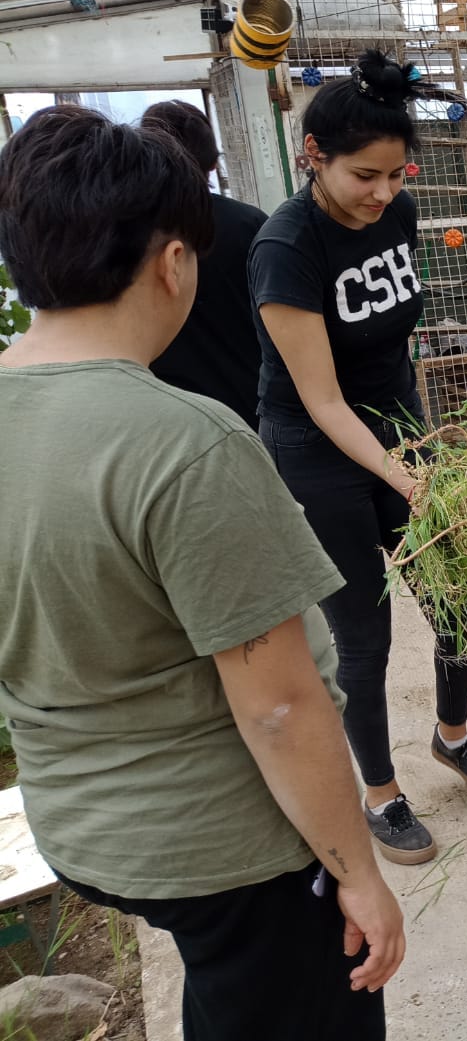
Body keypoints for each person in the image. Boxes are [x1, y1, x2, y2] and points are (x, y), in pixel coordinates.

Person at [0, 106, 403, 1039]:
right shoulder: (184, 443)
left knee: (228, 983)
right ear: (174, 262)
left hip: (81, 823)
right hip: (221, 843)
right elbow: (279, 706)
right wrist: (357, 871)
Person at [249, 50, 467, 867]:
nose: (383, 193)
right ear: (313, 155)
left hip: (399, 432)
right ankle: (381, 794)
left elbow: (392, 347)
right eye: (365, 175)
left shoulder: (396, 216)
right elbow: (324, 401)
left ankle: (452, 735)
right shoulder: (286, 248)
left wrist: (419, 444)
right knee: (364, 636)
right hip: (315, 451)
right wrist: (401, 473)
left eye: (397, 175)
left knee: (462, 602)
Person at [140, 100, 268, 429]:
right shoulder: (249, 223)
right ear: (212, 162)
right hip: (255, 397)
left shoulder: (134, 234)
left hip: (175, 411)